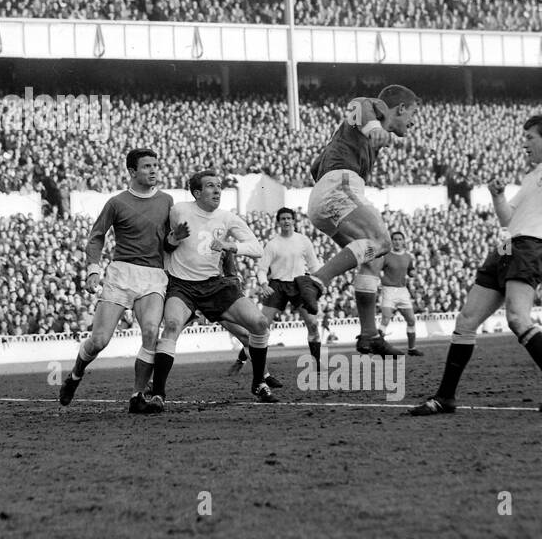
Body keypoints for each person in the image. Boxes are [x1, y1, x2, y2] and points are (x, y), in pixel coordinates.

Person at [410, 115, 542, 416]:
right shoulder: (532, 177)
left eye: (529, 136)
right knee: (465, 321)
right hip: (506, 245)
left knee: (518, 318)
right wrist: (498, 196)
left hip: (530, 246)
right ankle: (445, 397)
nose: (524, 142)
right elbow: (508, 218)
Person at [305, 85, 420, 356]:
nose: (413, 121)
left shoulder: (352, 137)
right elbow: (359, 101)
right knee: (382, 242)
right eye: (412, 113)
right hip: (340, 185)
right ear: (400, 108)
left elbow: (314, 167)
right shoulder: (374, 114)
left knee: (373, 259)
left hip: (324, 196)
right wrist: (372, 129)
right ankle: (317, 281)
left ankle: (369, 336)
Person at [58, 149, 172, 414]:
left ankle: (137, 396)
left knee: (151, 332)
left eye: (156, 165)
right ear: (132, 172)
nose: (153, 170)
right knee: (99, 340)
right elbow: (97, 236)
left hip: (153, 275)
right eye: (146, 166)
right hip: (121, 273)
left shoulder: (167, 201)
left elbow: (170, 241)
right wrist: (93, 270)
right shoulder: (116, 202)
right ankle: (75, 375)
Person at [150, 171, 276, 405]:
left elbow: (257, 248)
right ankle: (158, 393)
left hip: (215, 285)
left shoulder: (227, 218)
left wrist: (230, 245)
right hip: (182, 286)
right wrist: (174, 238)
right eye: (210, 186)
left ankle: (259, 382)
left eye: (219, 186)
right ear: (197, 193)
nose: (217, 190)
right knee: (172, 326)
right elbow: (165, 246)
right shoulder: (179, 210)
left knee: (259, 323)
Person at [246, 207, 322, 378]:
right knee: (261, 326)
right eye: (283, 219)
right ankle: (246, 357)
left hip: (299, 285)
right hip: (277, 286)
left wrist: (318, 283)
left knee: (313, 324)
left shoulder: (303, 241)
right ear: (278, 222)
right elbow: (261, 269)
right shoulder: (273, 244)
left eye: (289, 218)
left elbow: (314, 266)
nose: (286, 221)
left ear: (294, 221)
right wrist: (264, 284)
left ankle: (316, 363)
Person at [378, 229, 423, 355]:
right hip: (389, 290)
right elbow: (376, 269)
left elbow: (410, 270)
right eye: (395, 239)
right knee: (386, 319)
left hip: (403, 291)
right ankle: (379, 349)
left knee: (411, 320)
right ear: (391, 241)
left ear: (403, 241)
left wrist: (413, 273)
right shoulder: (386, 256)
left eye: (400, 239)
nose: (397, 242)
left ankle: (412, 349)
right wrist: (381, 279)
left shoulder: (408, 256)